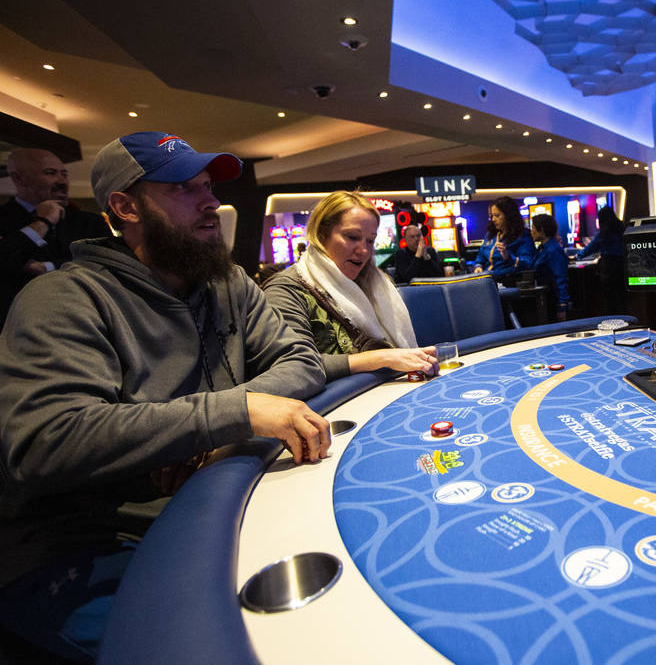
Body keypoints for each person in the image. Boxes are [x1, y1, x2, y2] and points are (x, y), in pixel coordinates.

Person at [0, 131, 330, 661]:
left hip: (203, 508)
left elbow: (301, 362)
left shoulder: (230, 282)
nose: (210, 202)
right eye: (184, 188)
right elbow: (46, 442)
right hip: (83, 545)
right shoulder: (62, 297)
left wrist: (221, 429)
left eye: (207, 186)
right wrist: (237, 412)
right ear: (125, 207)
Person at [264, 191, 437, 381]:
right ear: (321, 234)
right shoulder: (286, 290)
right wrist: (381, 358)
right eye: (353, 237)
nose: (363, 250)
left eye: (370, 240)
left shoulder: (376, 282)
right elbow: (294, 367)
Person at [0, 148, 111, 327]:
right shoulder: (3, 218)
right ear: (18, 178)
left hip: (82, 321)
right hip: (14, 325)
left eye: (64, 174)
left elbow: (104, 266)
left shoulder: (90, 222)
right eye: (50, 173)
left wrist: (48, 267)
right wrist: (42, 222)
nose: (62, 181)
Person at [473, 196, 534, 286]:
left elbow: (528, 262)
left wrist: (509, 257)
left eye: (497, 215)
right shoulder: (491, 235)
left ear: (508, 215)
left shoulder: (522, 235)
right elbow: (481, 255)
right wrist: (478, 266)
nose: (493, 219)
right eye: (491, 216)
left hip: (508, 282)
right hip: (487, 281)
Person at [578, 205, 627, 314]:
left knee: (610, 299)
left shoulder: (604, 233)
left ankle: (613, 322)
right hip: (623, 265)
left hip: (608, 267)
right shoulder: (621, 229)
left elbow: (590, 248)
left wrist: (578, 256)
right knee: (622, 297)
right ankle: (626, 320)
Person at [530, 213, 570, 321]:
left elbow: (560, 278)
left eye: (533, 227)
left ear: (541, 229)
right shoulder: (542, 248)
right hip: (546, 298)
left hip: (554, 299)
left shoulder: (553, 249)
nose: (531, 230)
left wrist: (562, 305)